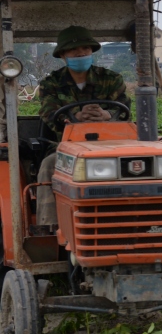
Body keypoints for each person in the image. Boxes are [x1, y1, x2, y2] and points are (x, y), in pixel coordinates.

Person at [37, 26, 130, 221]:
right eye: (74, 50)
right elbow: (49, 113)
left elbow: (124, 111)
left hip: (111, 146)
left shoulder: (111, 79)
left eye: (85, 49)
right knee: (48, 165)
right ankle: (49, 226)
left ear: (91, 51)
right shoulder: (51, 84)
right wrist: (76, 117)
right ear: (63, 54)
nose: (81, 53)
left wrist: (106, 115)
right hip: (66, 147)